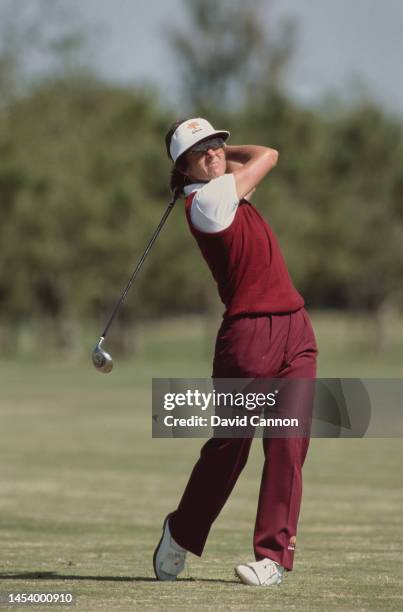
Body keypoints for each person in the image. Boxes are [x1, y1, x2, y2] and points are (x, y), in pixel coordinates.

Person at [153, 117, 318, 586]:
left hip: (295, 330)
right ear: (184, 169)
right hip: (248, 339)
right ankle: (179, 534)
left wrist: (214, 151)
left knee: (289, 444)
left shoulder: (221, 184)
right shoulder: (209, 200)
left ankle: (272, 557)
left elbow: (247, 157)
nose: (213, 154)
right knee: (230, 450)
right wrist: (216, 158)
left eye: (216, 145)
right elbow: (268, 154)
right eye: (199, 151)